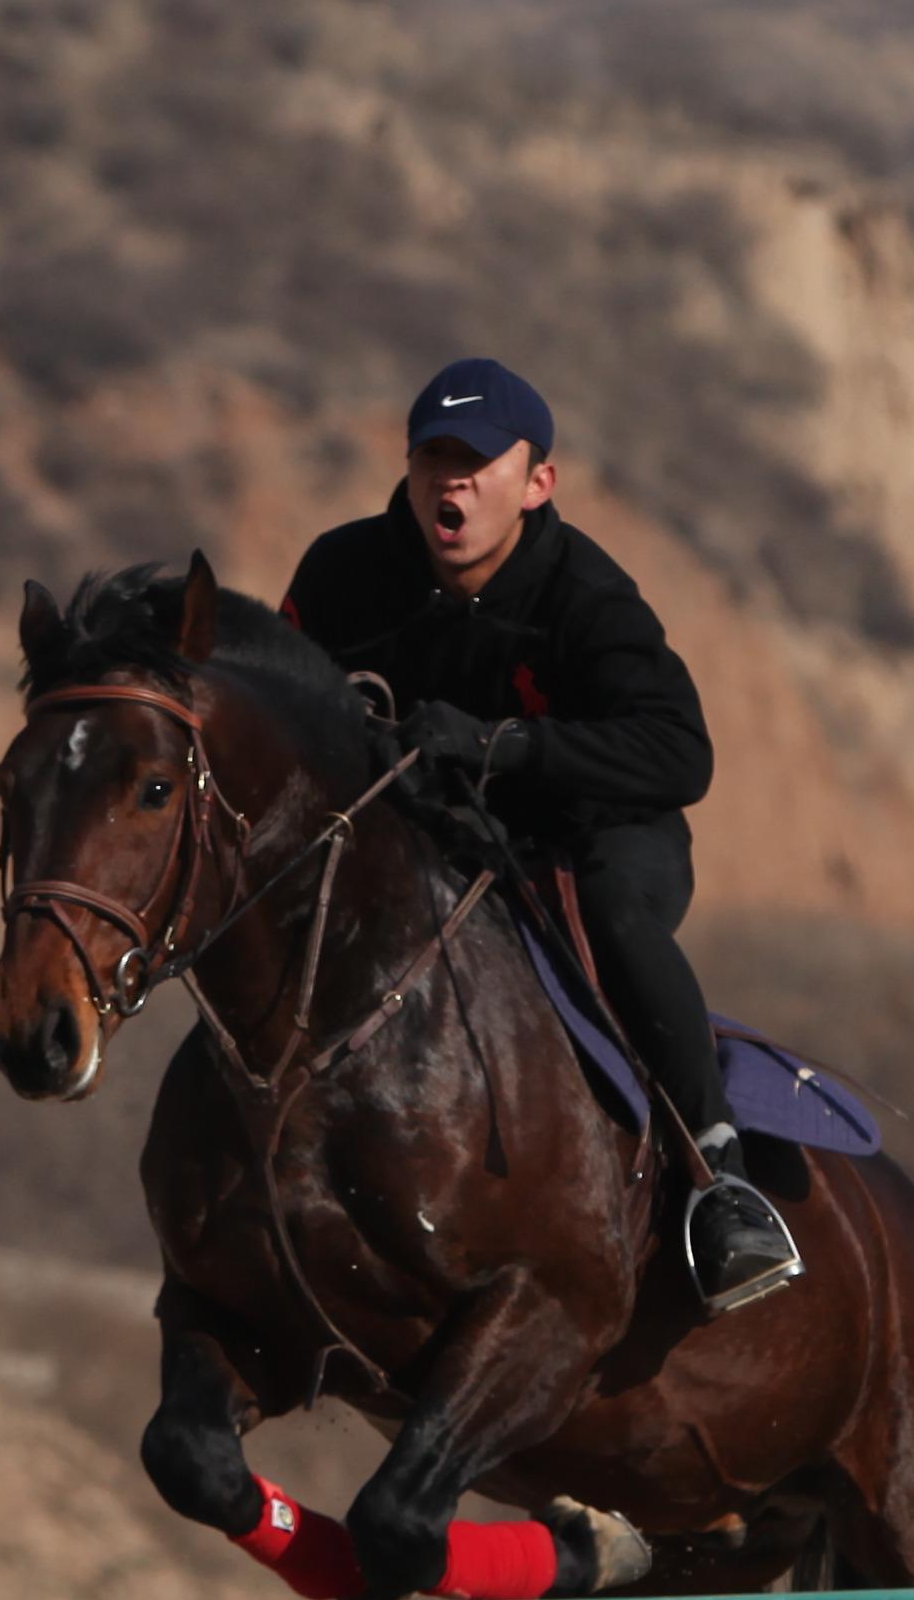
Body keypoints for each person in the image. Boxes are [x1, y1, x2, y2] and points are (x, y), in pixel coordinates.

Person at [280, 357, 803, 1312]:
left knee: (609, 899)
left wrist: (502, 747)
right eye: (434, 458)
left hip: (596, 841)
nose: (454, 481)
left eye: (478, 462)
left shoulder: (586, 597)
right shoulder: (340, 575)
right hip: (432, 846)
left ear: (537, 482)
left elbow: (683, 757)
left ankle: (721, 1181)